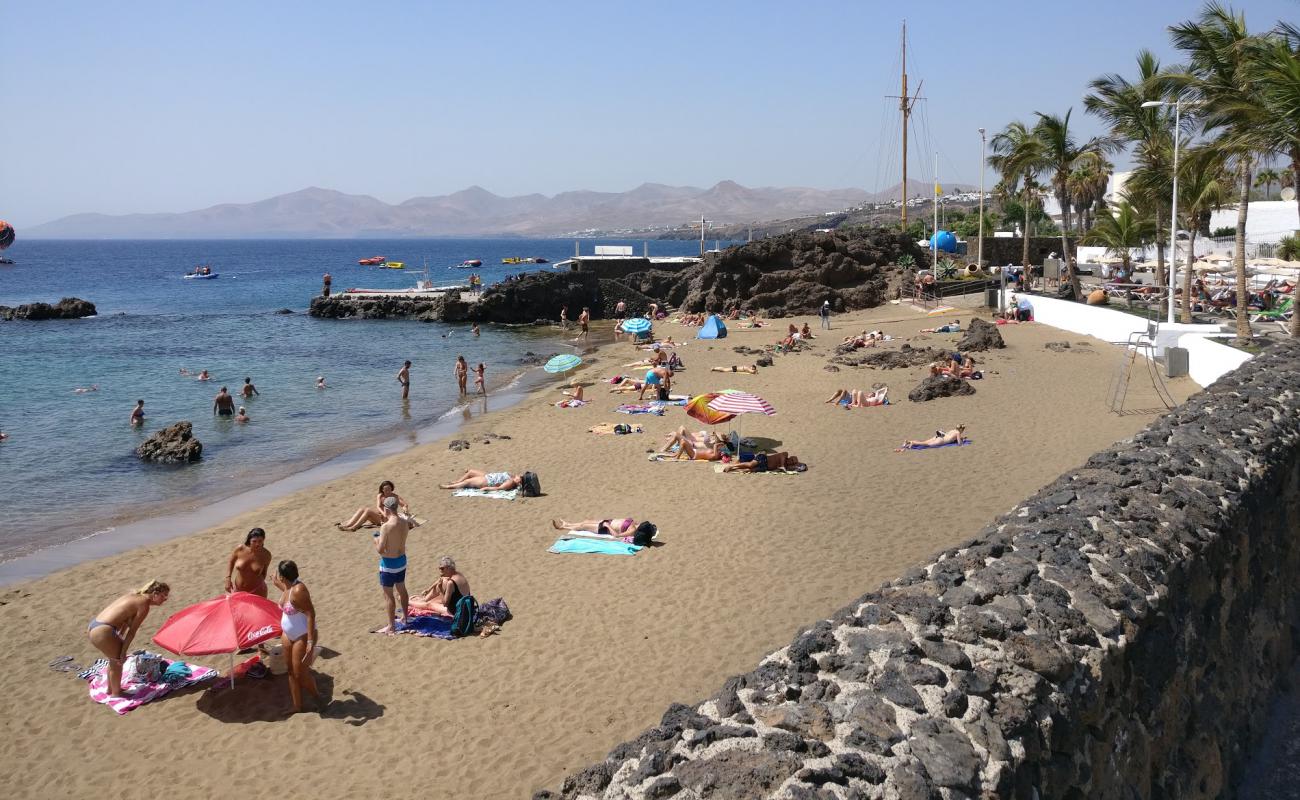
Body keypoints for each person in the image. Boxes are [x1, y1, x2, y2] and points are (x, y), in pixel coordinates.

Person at [87, 580, 170, 698]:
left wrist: (119, 642)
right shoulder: (144, 603)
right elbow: (132, 632)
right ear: (155, 593)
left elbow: (125, 622)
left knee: (113, 659)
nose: (165, 599)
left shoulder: (134, 596)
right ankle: (116, 693)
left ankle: (111, 689)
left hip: (94, 626)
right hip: (103, 630)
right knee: (118, 661)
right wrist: (123, 653)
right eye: (164, 595)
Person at [273, 560, 320, 713]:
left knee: (300, 673)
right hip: (288, 634)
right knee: (291, 671)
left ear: (282, 576)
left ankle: (318, 698)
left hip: (302, 635)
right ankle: (297, 706)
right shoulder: (287, 588)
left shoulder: (299, 590)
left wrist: (311, 641)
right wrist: (276, 583)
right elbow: (287, 595)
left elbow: (310, 614)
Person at [375, 496, 410, 634]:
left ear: (386, 509)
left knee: (388, 595)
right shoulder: (404, 522)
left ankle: (391, 626)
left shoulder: (386, 526)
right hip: (401, 561)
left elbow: (381, 549)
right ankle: (405, 617)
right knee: (402, 589)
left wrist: (375, 540)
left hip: (389, 564)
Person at [337, 480, 410, 531]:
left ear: (392, 489)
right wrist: (383, 513)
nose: (387, 491)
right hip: (380, 516)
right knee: (363, 509)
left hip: (387, 518)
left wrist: (405, 509)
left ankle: (354, 527)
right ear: (382, 490)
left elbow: (404, 505)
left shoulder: (395, 496)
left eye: (389, 489)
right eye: (385, 490)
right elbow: (378, 506)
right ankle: (348, 524)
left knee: (368, 511)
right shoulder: (380, 495)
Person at [225, 528, 272, 597]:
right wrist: (228, 578)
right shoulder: (240, 549)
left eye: (260, 541)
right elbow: (231, 562)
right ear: (249, 540)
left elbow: (264, 574)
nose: (257, 544)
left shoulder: (266, 555)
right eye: (254, 541)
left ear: (263, 540)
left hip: (257, 591)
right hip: (238, 590)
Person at [895, 425, 968, 452]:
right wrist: (962, 441)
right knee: (926, 444)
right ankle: (913, 443)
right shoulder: (958, 433)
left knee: (924, 441)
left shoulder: (953, 430)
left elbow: (950, 437)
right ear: (961, 430)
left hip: (940, 436)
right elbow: (959, 444)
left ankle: (908, 441)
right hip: (942, 440)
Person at [439, 469, 523, 491]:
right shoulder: (512, 476)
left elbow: (499, 488)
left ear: (519, 482)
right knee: (470, 472)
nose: (520, 475)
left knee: (467, 481)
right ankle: (457, 481)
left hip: (487, 481)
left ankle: (449, 486)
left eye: (520, 477)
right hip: (488, 475)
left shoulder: (511, 482)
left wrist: (487, 488)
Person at [723, 452, 802, 473]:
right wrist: (783, 467)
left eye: (792, 463)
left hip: (765, 468)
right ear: (790, 457)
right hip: (763, 459)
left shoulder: (786, 465)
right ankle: (731, 466)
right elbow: (782, 463)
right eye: (792, 460)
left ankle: (733, 469)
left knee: (748, 470)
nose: (791, 462)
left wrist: (794, 467)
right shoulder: (785, 455)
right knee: (750, 464)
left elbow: (786, 468)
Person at [551, 518, 637, 536]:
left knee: (584, 526)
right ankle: (568, 523)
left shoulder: (632, 531)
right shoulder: (636, 524)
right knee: (586, 521)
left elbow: (616, 535)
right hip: (609, 521)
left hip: (605, 528)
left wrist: (608, 526)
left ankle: (564, 527)